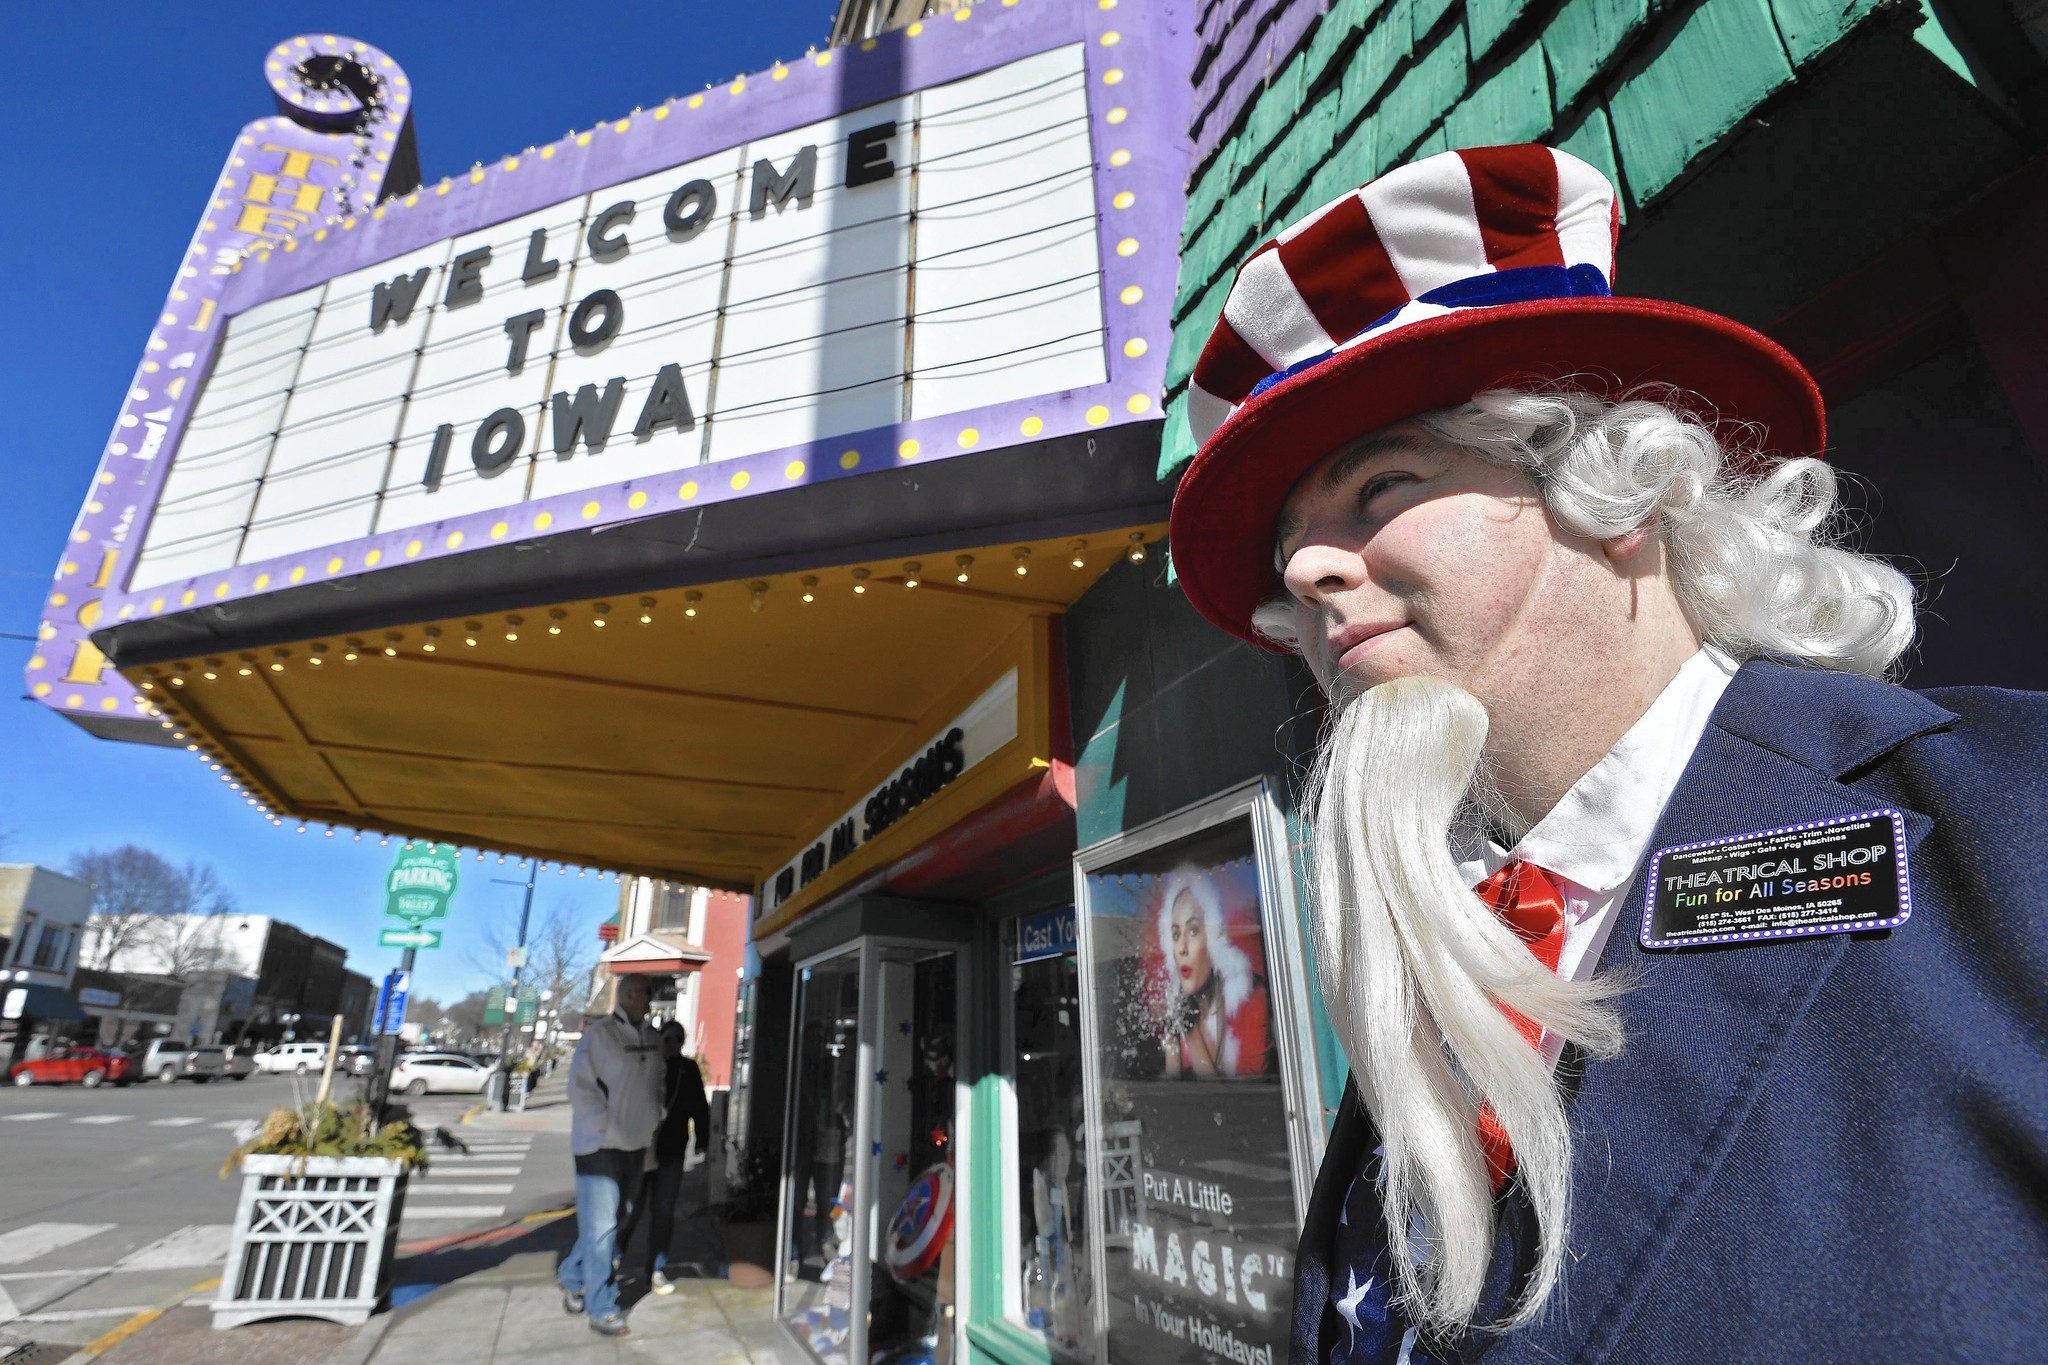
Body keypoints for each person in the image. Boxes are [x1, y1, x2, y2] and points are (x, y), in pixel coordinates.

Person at [1168, 142, 2048, 1362]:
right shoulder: (1442, 971)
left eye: (1379, 485)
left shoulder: (2015, 818)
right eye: (1290, 557)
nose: (1308, 575)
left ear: (1620, 495)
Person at [559, 974, 663, 1337]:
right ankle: (600, 1306)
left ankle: (573, 1275)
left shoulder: (652, 1039)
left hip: (637, 1145)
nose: (652, 1000)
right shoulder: (600, 1036)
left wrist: (655, 1120)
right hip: (599, 1148)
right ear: (630, 995)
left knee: (616, 1223)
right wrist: (604, 1127)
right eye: (648, 993)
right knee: (602, 1225)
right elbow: (581, 1087)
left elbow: (655, 1088)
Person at [1154, 864, 1271, 1078]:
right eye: (1176, 934)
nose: (1182, 948)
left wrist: (1191, 1029)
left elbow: (1245, 1093)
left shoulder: (1248, 996)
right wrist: (1173, 1033)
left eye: (1194, 930)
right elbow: (1171, 1086)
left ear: (1214, 939)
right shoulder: (1180, 1001)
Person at [644, 1020, 710, 1294]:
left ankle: (657, 1267)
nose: (672, 1044)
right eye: (668, 1038)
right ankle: (616, 1259)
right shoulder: (649, 1066)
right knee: (630, 1210)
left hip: (672, 1148)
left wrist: (702, 1142)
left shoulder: (687, 1069)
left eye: (677, 1040)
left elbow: (699, 1107)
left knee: (663, 1211)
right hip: (643, 1147)